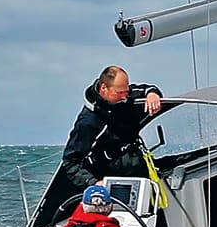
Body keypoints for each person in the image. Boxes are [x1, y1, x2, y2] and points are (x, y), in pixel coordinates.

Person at [61, 65, 162, 195]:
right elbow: (70, 163)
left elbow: (145, 89)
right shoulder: (88, 122)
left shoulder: (124, 94)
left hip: (138, 168)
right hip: (110, 180)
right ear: (104, 88)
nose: (125, 97)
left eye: (126, 91)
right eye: (120, 93)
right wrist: (94, 183)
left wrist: (152, 94)